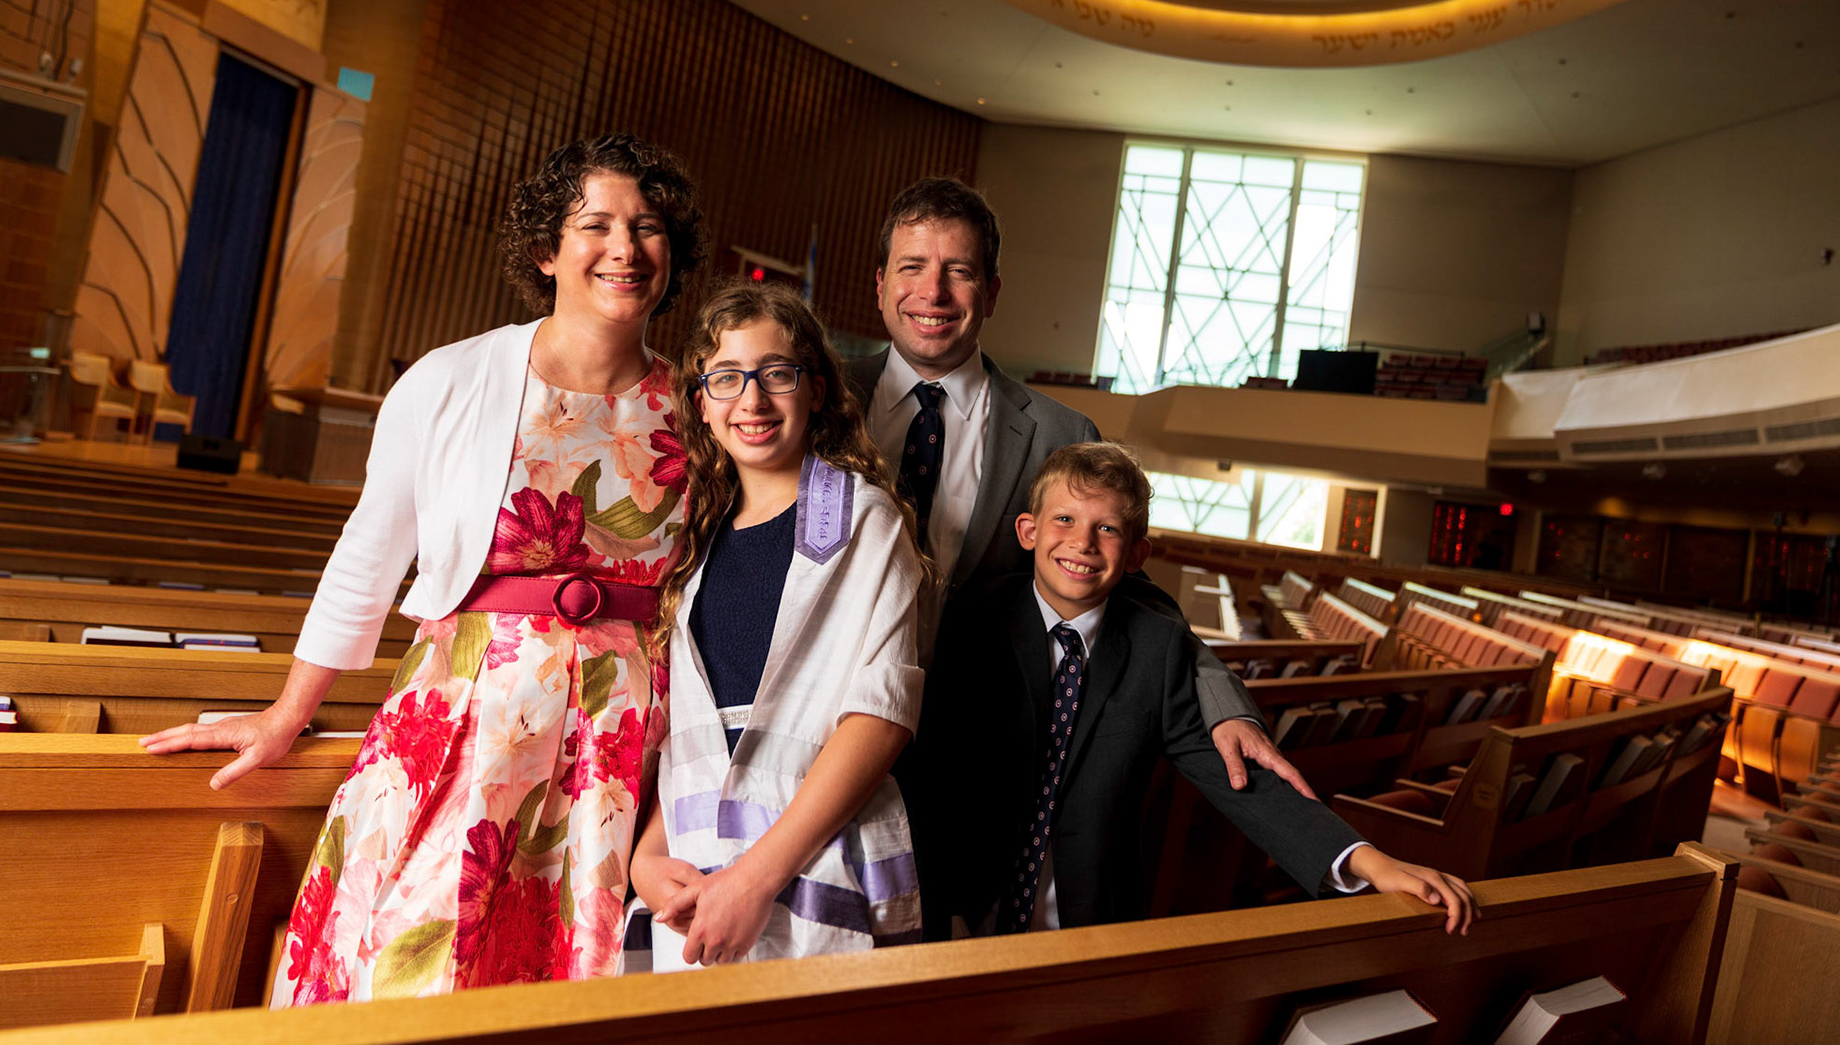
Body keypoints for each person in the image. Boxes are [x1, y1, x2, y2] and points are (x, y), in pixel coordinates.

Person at [141, 134, 704, 1000]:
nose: (626, 248)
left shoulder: (701, 409)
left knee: (568, 977)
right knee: (417, 954)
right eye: (597, 224)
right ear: (547, 250)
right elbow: (370, 554)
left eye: (649, 226)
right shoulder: (452, 379)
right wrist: (290, 714)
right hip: (467, 710)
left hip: (625, 737)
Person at [848, 177, 1311, 797]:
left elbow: (1128, 590)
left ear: (991, 292)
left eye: (958, 271)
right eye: (913, 267)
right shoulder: (816, 400)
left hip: (975, 752)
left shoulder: (1060, 433)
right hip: (816, 726)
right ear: (880, 283)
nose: (933, 291)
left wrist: (1223, 700)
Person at [917, 442, 1478, 937]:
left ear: (1137, 555)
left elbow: (1239, 778)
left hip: (1085, 923)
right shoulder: (971, 621)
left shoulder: (1156, 650)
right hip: (956, 904)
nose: (1082, 542)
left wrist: (1368, 861)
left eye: (1107, 528)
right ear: (1028, 531)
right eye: (1064, 519)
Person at [627, 281, 926, 969]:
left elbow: (878, 719)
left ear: (816, 390)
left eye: (777, 375)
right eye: (727, 378)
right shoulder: (695, 547)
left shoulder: (863, 522)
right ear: (701, 405)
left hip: (817, 865)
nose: (752, 401)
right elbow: (693, 737)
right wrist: (648, 855)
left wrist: (757, 879)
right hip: (696, 870)